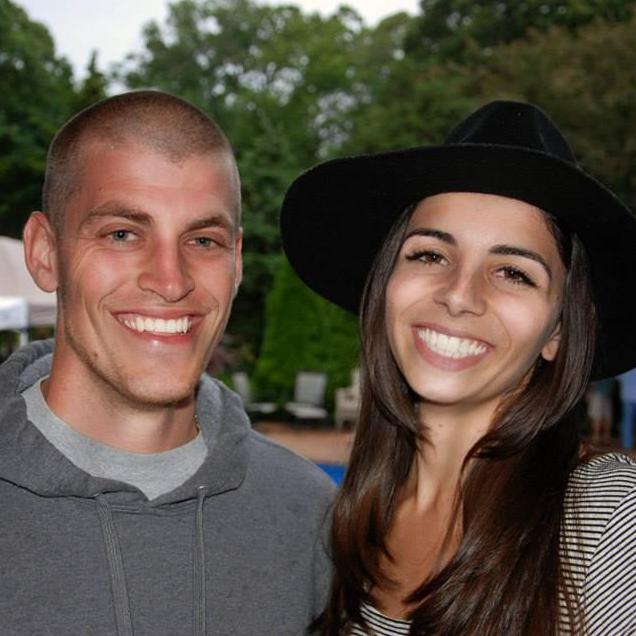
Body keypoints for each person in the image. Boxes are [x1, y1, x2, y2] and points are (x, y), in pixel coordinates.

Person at [281, 101, 636, 634]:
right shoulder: (347, 521)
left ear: (557, 332)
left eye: (513, 272)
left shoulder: (606, 518)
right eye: (429, 255)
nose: (459, 295)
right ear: (385, 287)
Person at [0, 90, 334, 635]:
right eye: (123, 234)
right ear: (44, 252)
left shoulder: (310, 514)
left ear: (236, 262)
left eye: (202, 240)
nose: (171, 280)